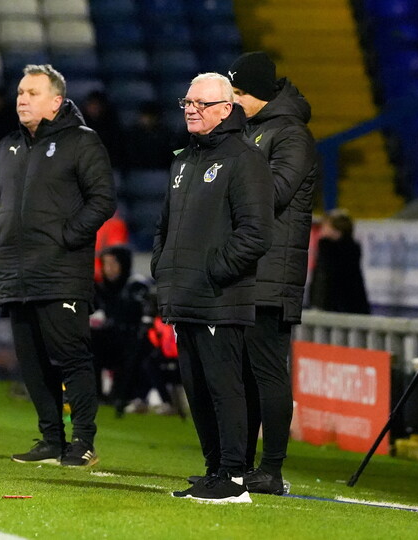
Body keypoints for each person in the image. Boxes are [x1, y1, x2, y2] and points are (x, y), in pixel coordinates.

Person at [0, 64, 116, 467]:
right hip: (16, 273)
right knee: (33, 361)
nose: (22, 98)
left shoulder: (82, 142)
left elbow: (102, 199)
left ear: (56, 101)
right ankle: (51, 439)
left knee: (72, 358)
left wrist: (68, 237)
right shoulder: (8, 145)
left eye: (32, 93)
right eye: (20, 92)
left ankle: (84, 441)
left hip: (61, 272)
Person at [153, 73, 273, 503]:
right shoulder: (183, 160)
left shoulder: (245, 158)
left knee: (224, 387)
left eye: (200, 103)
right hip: (183, 295)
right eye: (186, 101)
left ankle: (234, 476)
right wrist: (164, 267)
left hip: (220, 297)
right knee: (197, 390)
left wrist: (212, 271)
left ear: (226, 109)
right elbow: (164, 227)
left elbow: (256, 233)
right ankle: (213, 470)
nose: (190, 108)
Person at [226, 51, 318, 495]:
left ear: (259, 94)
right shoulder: (251, 132)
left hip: (272, 270)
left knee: (266, 373)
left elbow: (274, 194)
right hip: (245, 269)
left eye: (239, 93)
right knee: (241, 373)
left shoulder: (292, 136)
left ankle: (272, 469)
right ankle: (241, 464)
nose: (233, 101)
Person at [90, 245, 152, 415]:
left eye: (113, 264)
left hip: (132, 341)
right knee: (88, 343)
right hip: (107, 341)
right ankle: (96, 394)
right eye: (105, 264)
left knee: (135, 347)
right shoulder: (99, 289)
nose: (108, 269)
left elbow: (140, 316)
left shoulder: (136, 286)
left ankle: (123, 395)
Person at [308, 210, 370, 314]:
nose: (322, 229)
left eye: (326, 226)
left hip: (332, 310)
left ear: (337, 231)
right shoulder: (352, 249)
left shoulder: (328, 251)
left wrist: (317, 306)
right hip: (352, 308)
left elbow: (324, 281)